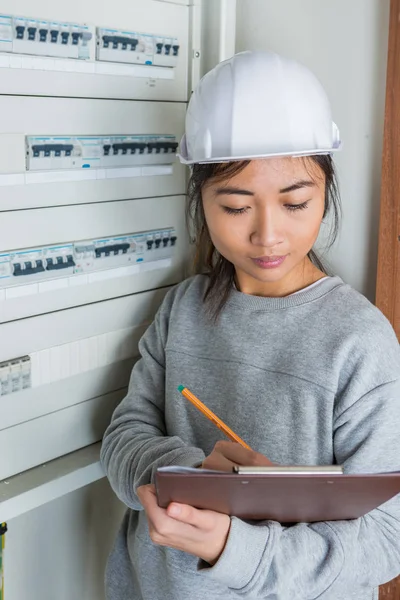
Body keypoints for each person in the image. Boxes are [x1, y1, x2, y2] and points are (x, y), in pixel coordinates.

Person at [101, 51, 400, 600]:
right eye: (237, 207)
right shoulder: (183, 308)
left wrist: (233, 548)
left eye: (295, 202)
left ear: (325, 189)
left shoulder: (359, 341)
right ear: (200, 200)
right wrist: (190, 476)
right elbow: (122, 439)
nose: (268, 235)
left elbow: (386, 540)